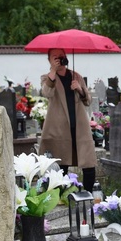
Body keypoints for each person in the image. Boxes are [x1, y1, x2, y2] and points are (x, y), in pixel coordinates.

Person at [38, 48, 97, 191]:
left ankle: (88, 195)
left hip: (79, 126)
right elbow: (47, 93)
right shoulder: (46, 77)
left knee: (89, 164)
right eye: (55, 57)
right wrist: (53, 71)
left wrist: (79, 88)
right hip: (59, 128)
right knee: (61, 165)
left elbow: (88, 100)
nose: (59, 59)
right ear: (49, 60)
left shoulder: (76, 76)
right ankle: (61, 198)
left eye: (61, 56)